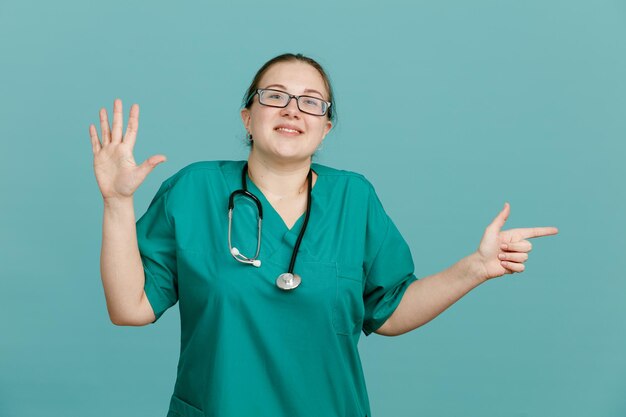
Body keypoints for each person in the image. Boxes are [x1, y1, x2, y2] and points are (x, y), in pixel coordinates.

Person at [88, 53, 558, 417]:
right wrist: (116, 203)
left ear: (325, 127)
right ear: (247, 117)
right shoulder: (193, 191)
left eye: (311, 101)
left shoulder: (354, 198)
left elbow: (389, 311)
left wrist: (475, 267)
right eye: (274, 95)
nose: (292, 109)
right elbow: (130, 308)